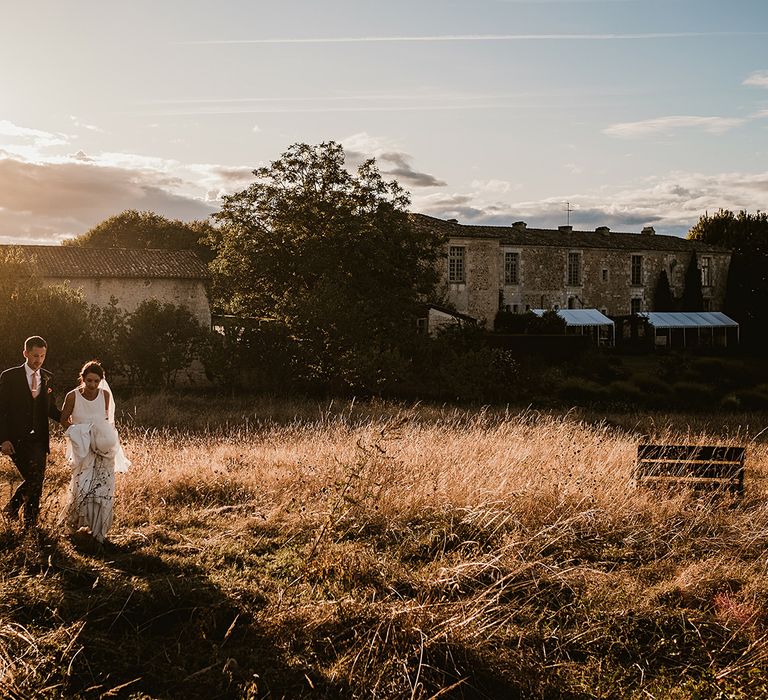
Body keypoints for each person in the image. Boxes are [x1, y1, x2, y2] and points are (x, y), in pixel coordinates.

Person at [60, 360, 130, 545]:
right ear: (82, 379)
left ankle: (98, 530)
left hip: (102, 448)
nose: (92, 385)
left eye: (96, 381)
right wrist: (81, 432)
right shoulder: (73, 396)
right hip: (83, 448)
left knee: (103, 486)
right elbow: (63, 420)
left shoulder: (105, 395)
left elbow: (107, 421)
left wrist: (102, 438)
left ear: (101, 381)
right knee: (82, 483)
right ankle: (75, 527)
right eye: (89, 380)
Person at [0, 336, 62, 528]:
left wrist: (69, 420)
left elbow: (50, 409)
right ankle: (13, 509)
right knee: (35, 478)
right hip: (16, 439)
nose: (39, 360)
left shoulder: (48, 376)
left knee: (37, 479)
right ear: (25, 353)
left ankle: (29, 523)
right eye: (35, 355)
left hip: (39, 439)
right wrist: (3, 439)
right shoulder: (9, 376)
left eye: (42, 356)